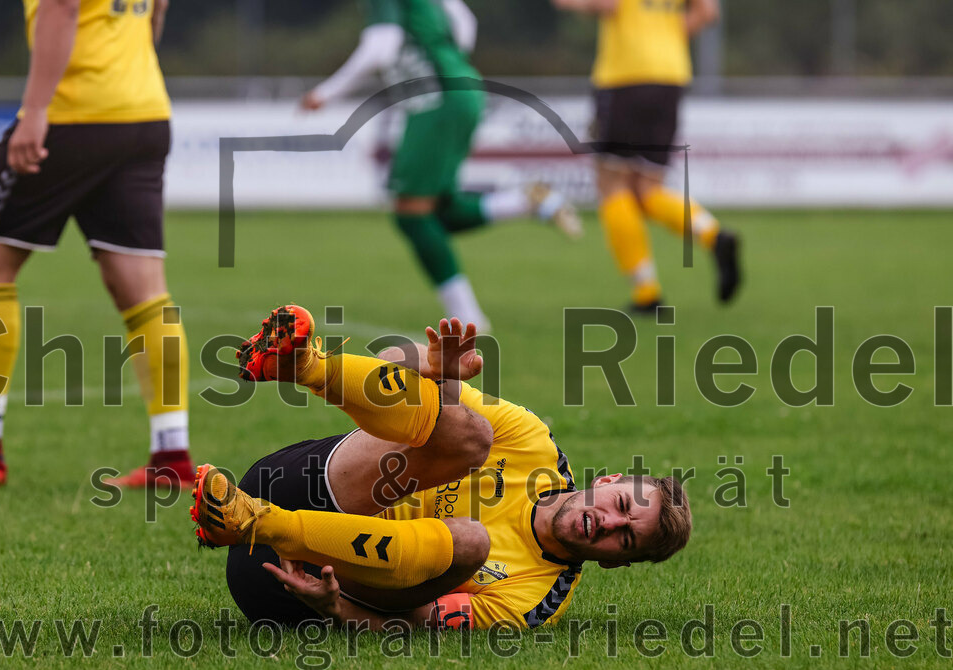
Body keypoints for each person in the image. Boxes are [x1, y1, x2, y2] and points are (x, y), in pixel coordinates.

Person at [191, 305, 691, 630]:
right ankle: (303, 366)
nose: (608, 521)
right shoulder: (533, 445)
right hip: (305, 482)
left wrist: (335, 608)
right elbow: (391, 360)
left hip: (300, 586)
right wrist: (432, 369)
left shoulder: (534, 598)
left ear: (614, 562)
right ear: (606, 482)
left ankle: (251, 522)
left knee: (471, 542)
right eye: (622, 505)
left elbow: (412, 622)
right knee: (469, 431)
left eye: (624, 538)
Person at [0, 0, 192, 489]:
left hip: (75, 114)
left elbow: (62, 4)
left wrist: (35, 111)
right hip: (144, 112)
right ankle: (172, 453)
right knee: (143, 290)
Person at [301, 0, 583, 332]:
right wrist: (445, 55)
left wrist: (326, 93)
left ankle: (469, 318)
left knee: (412, 215)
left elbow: (380, 48)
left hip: (436, 100)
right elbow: (466, 22)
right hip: (459, 89)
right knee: (438, 212)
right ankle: (525, 201)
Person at [553, 0, 741, 312]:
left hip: (625, 75)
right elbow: (708, 11)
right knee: (647, 189)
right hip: (670, 75)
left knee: (612, 184)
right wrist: (664, 36)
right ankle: (713, 235)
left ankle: (646, 292)